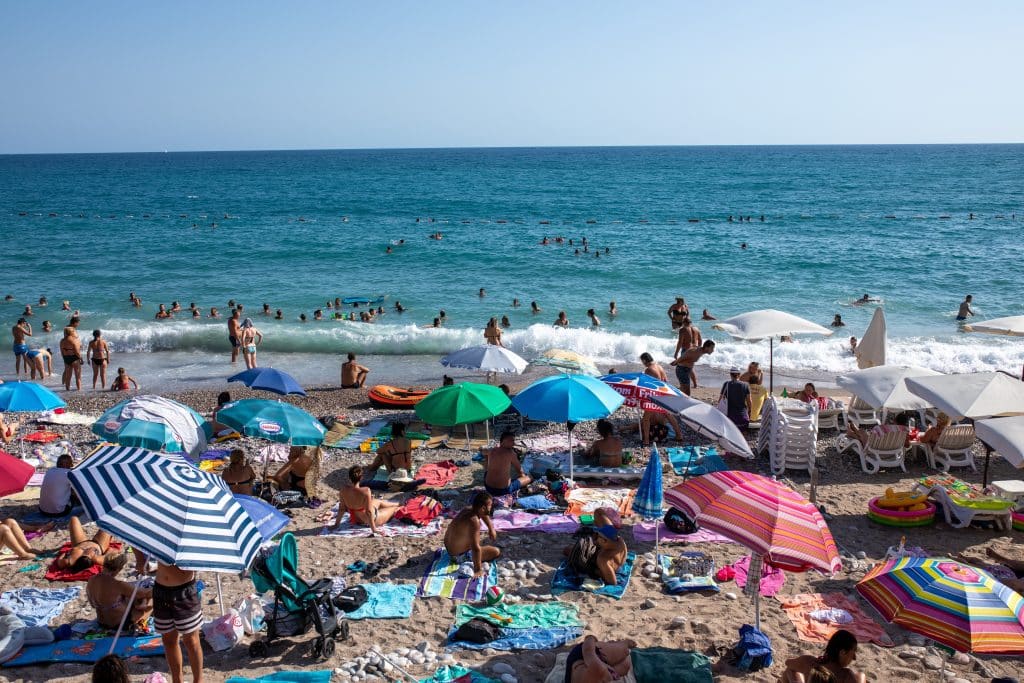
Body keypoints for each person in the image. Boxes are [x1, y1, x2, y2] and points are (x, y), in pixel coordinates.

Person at [154, 561, 204, 683]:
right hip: (161, 590)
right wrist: (140, 559)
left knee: (191, 641)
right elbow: (140, 544)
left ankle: (198, 680)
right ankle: (177, 680)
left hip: (185, 591)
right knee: (169, 641)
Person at [87, 551, 153, 631]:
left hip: (102, 623)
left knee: (129, 597)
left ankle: (141, 605)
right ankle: (141, 619)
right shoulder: (118, 585)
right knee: (153, 599)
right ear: (119, 568)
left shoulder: (91, 580)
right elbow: (144, 594)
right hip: (120, 625)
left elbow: (93, 604)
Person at [444, 492, 500, 578]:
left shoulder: (468, 509)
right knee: (495, 551)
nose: (491, 507)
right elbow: (475, 548)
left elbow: (484, 514)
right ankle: (466, 559)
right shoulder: (474, 522)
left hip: (448, 547)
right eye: (490, 505)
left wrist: (491, 528)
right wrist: (477, 569)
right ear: (483, 508)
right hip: (457, 556)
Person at [333, 465, 400, 534]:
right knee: (395, 508)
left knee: (377, 501)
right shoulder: (365, 490)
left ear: (349, 478)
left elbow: (341, 509)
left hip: (356, 519)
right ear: (361, 478)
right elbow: (369, 512)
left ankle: (399, 503)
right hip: (369, 520)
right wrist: (374, 529)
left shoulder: (344, 490)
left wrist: (336, 524)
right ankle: (400, 505)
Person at [781, 629, 864, 683]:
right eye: (853, 652)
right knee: (860, 675)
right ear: (842, 652)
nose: (854, 658)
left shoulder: (808, 662)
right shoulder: (846, 676)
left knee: (790, 671)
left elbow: (787, 662)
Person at [639, 352, 684, 445]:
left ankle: (646, 440)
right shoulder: (659, 367)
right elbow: (666, 382)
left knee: (646, 419)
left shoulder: (648, 370)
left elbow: (646, 386)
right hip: (663, 394)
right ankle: (679, 435)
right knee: (669, 415)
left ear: (644, 360)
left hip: (655, 396)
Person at [564, 634, 635, 683]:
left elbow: (588, 650)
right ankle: (612, 645)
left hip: (582, 656)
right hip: (596, 669)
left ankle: (623, 643)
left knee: (622, 651)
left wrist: (591, 638)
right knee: (625, 666)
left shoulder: (596, 668)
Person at [484, 431, 531, 497]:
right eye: (511, 441)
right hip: (502, 490)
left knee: (488, 469)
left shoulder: (492, 450)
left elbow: (484, 452)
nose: (514, 443)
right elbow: (520, 471)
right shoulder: (511, 453)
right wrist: (523, 477)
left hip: (488, 487)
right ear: (503, 441)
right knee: (529, 478)